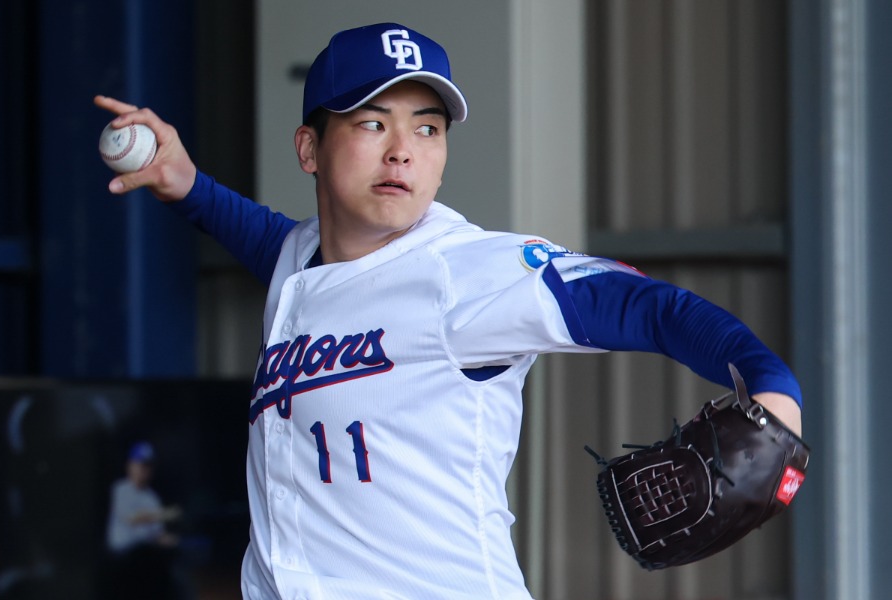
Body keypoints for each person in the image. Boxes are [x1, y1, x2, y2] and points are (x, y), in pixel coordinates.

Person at [94, 22, 802, 600]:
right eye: (372, 123)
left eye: (427, 129)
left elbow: (650, 306)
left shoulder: (467, 270)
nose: (403, 151)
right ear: (310, 148)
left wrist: (773, 384)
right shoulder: (301, 260)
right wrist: (187, 186)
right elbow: (274, 243)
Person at [105, 441, 182, 599]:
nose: (143, 469)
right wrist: (164, 514)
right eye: (139, 464)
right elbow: (133, 518)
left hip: (145, 560)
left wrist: (173, 541)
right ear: (129, 465)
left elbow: (156, 534)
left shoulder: (152, 498)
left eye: (147, 465)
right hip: (120, 560)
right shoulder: (120, 489)